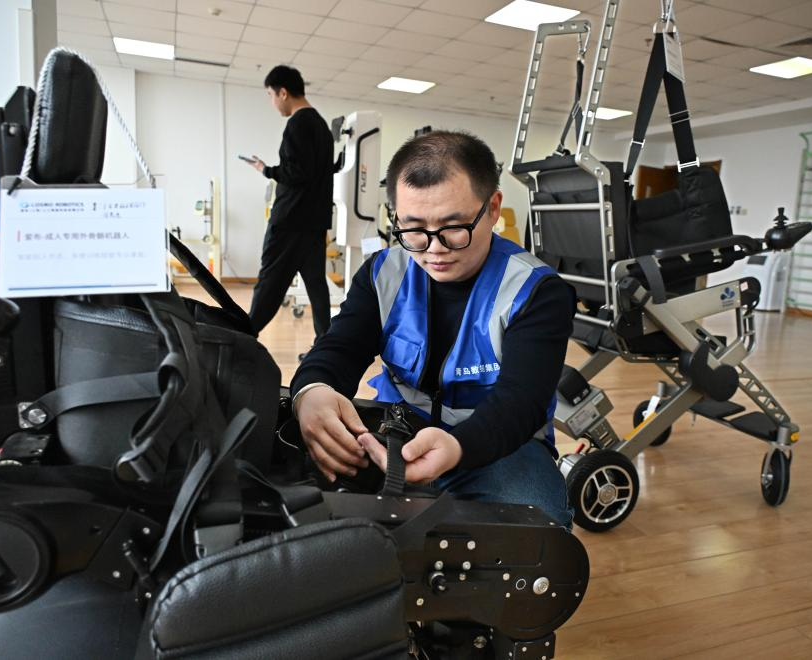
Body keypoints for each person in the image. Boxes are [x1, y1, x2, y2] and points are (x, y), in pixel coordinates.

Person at [290, 130, 574, 527]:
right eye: (413, 229)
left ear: (493, 208)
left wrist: (458, 447)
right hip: (397, 426)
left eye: (454, 227)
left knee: (539, 526)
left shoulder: (535, 291)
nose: (433, 248)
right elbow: (339, 347)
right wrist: (312, 390)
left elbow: (520, 402)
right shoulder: (382, 273)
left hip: (498, 443)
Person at [246, 65, 334, 341]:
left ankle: (245, 337)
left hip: (290, 222)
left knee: (270, 283)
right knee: (317, 289)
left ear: (283, 92)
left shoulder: (298, 124)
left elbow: (297, 173)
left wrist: (268, 171)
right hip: (314, 223)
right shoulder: (321, 126)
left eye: (271, 96)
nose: (273, 103)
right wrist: (270, 169)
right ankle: (326, 345)